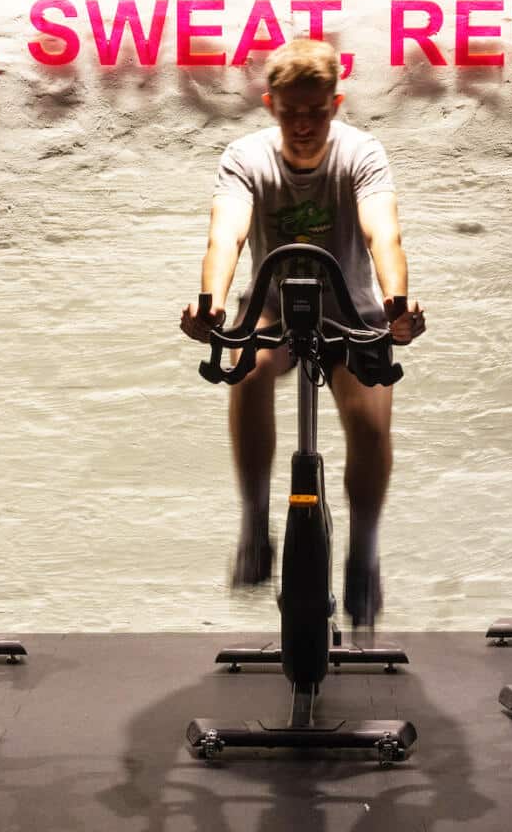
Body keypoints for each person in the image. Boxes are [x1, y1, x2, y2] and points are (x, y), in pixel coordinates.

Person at [180, 37, 426, 631]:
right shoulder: (246, 156)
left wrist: (397, 303)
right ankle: (253, 523)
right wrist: (209, 303)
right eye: (291, 112)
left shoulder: (362, 153)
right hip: (271, 307)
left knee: (369, 425)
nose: (304, 124)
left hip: (352, 308)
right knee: (248, 368)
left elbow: (382, 232)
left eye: (316, 111)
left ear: (336, 103)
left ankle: (363, 554)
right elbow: (227, 235)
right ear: (271, 104)